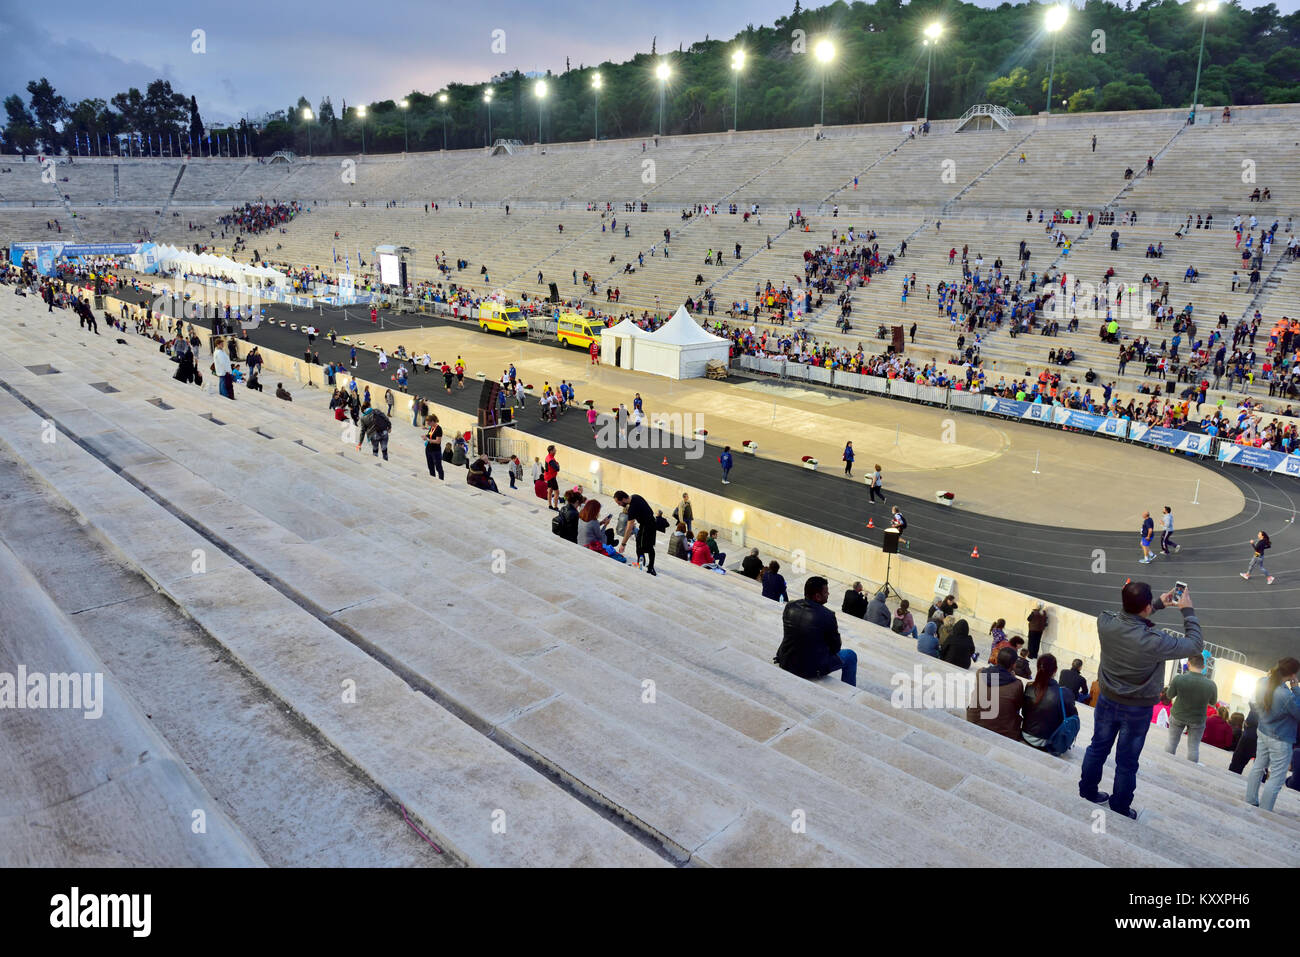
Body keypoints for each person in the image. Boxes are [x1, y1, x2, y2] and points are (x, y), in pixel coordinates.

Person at [1078, 581, 1202, 820]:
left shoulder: (1104, 621)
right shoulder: (1155, 641)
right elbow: (1195, 644)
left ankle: (1087, 791)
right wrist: (1187, 609)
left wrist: (1154, 605)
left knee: (1097, 748)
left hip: (1107, 700)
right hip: (1137, 708)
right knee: (1127, 761)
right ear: (1145, 607)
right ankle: (1120, 806)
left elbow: (1128, 619)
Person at [774, 576, 857, 687]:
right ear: (817, 596)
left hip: (786, 660)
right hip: (811, 669)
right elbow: (836, 648)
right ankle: (850, 689)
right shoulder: (828, 615)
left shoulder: (790, 606)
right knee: (850, 656)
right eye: (826, 592)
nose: (828, 594)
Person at [1244, 657, 1300, 811]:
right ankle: (1265, 811)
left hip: (1263, 731)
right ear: (1292, 674)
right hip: (1280, 739)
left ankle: (1250, 800)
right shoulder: (1286, 695)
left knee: (1258, 766)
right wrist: (1296, 689)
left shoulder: (1262, 681)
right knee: (1276, 777)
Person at [1165, 655, 1218, 763]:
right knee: (1193, 748)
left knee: (1172, 742)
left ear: (1188, 664)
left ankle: (1166, 764)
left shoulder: (1179, 679)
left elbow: (1169, 695)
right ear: (1203, 667)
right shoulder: (1211, 685)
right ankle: (1191, 771)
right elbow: (1213, 702)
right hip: (1198, 720)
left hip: (1178, 715)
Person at [1020, 653, 1079, 751]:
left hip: (1026, 734)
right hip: (1048, 742)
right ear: (1055, 670)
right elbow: (1073, 718)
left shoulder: (1029, 686)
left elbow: (1024, 712)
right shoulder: (1065, 693)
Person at [967, 647, 1025, 739]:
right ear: (1014, 665)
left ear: (997, 660)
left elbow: (995, 678)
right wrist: (1012, 678)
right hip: (1002, 730)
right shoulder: (1017, 684)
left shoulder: (980, 672)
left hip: (974, 720)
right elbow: (1018, 706)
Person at [614, 490, 658, 575]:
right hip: (650, 523)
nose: (619, 505)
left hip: (647, 526)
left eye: (619, 503)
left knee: (643, 547)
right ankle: (643, 565)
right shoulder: (635, 496)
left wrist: (623, 544)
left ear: (623, 499)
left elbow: (629, 527)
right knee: (641, 545)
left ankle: (649, 568)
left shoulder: (632, 508)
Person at [1229, 704, 1259, 774]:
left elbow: (1252, 718)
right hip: (1268, 737)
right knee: (1260, 770)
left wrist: (1247, 723)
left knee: (1236, 766)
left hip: (1251, 735)